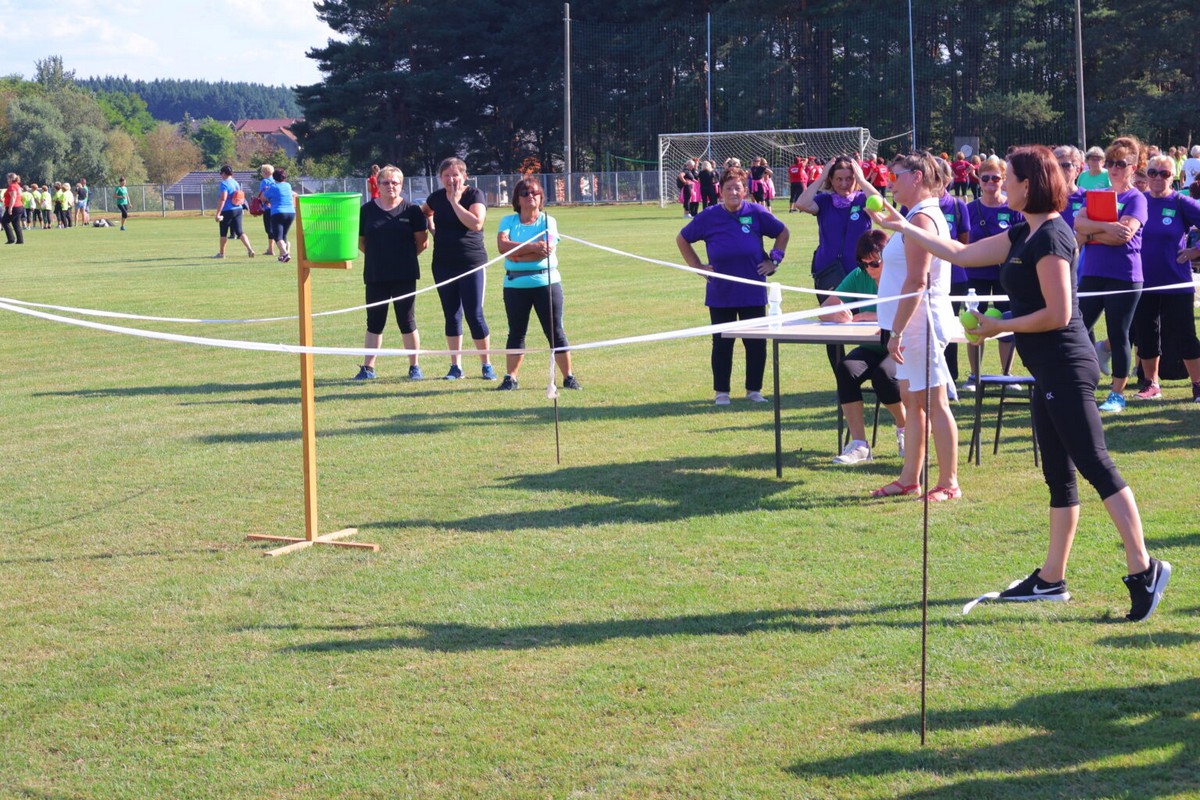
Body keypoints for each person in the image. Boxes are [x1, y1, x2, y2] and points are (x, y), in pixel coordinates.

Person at [872, 144, 1171, 622]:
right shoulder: (1022, 234)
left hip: (1067, 366)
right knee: (1059, 475)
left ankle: (1144, 568)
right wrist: (903, 225)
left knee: (1096, 464)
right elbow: (962, 252)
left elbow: (1059, 313)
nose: (1000, 184)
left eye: (1007, 178)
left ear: (1028, 185)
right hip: (1047, 369)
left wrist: (999, 326)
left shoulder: (1053, 234)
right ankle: (1051, 579)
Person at [868, 151, 958, 500]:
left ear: (917, 176)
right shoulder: (913, 215)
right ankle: (910, 478)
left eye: (897, 175)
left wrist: (898, 331)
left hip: (920, 325)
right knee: (913, 400)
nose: (891, 181)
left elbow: (917, 282)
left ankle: (949, 483)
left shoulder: (923, 219)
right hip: (908, 324)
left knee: (934, 402)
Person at [676, 166, 789, 405]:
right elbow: (682, 238)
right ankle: (722, 393)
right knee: (722, 343)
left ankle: (754, 391)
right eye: (729, 188)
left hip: (752, 289)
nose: (733, 192)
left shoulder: (757, 212)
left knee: (756, 344)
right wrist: (697, 266)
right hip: (721, 291)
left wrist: (774, 260)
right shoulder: (709, 216)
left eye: (738, 188)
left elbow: (783, 232)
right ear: (721, 192)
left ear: (745, 191)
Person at [819, 229, 906, 464]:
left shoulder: (903, 275)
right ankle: (860, 445)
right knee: (846, 368)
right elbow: (825, 307)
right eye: (863, 263)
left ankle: (905, 427)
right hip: (871, 346)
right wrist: (834, 314)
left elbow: (910, 310)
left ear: (887, 258)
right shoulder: (858, 275)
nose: (869, 269)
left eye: (874, 263)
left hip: (900, 345)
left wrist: (869, 314)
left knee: (884, 376)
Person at [1073, 136, 1147, 413]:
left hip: (1124, 275)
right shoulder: (1097, 194)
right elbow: (1077, 224)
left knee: (1119, 333)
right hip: (1092, 272)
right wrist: (1097, 230)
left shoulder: (1136, 198)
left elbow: (1123, 236)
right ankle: (1078, 383)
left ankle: (1117, 394)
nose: (1114, 168)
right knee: (1078, 327)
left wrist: (1089, 234)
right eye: (1111, 162)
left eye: (1121, 163)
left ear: (1133, 166)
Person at [793, 155, 882, 369]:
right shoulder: (824, 201)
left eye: (849, 179)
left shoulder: (863, 200)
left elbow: (879, 202)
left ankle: (871, 369)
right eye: (838, 179)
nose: (844, 184)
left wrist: (861, 180)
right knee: (833, 325)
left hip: (861, 271)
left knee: (865, 319)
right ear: (831, 180)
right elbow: (802, 203)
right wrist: (822, 175)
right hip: (828, 271)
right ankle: (842, 377)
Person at [494, 176, 580, 391]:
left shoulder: (547, 220)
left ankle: (568, 377)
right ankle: (510, 378)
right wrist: (533, 246)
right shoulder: (508, 221)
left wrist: (517, 254)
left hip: (546, 283)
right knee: (516, 332)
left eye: (534, 192)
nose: (530, 196)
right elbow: (503, 246)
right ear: (517, 199)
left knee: (555, 331)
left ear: (541, 196)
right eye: (524, 193)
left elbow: (547, 250)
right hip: (514, 285)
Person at [1130, 155, 1200, 401]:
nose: (1158, 178)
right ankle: (1151, 384)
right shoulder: (1137, 201)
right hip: (1142, 282)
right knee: (1146, 334)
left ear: (1175, 177)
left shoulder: (1181, 201)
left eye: (1164, 173)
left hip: (1176, 282)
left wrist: (1195, 250)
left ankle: (1198, 384)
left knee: (1185, 335)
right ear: (1145, 174)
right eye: (1153, 172)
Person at [420, 157, 497, 381]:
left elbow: (476, 223)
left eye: (455, 175)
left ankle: (486, 364)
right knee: (451, 315)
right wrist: (432, 229)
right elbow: (424, 212)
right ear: (440, 178)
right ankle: (456, 366)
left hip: (471, 263)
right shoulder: (435, 197)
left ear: (464, 176)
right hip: (443, 264)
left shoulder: (474, 195)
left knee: (475, 314)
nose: (451, 179)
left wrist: (455, 202)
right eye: (446, 175)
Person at [352, 165, 427, 381]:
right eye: (386, 182)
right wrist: (380, 257)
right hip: (376, 274)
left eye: (395, 182)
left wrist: (401, 258)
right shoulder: (366, 211)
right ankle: (368, 368)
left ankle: (414, 366)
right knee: (374, 321)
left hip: (405, 274)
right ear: (378, 184)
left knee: (407, 320)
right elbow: (361, 242)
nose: (390, 186)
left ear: (401, 185)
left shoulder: (412, 210)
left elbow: (422, 243)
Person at [962, 158, 1022, 388]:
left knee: (1007, 325)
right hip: (974, 275)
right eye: (985, 177)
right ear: (978, 179)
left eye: (995, 178)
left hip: (1005, 276)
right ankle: (974, 376)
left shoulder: (1013, 209)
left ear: (1003, 180)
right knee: (973, 323)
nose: (990, 182)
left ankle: (1006, 375)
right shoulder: (969, 209)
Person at [212, 165, 254, 258]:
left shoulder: (224, 183)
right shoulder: (235, 183)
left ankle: (222, 253)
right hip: (238, 209)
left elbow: (223, 198)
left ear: (224, 173)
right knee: (240, 231)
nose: (221, 175)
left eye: (221, 173)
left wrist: (218, 213)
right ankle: (250, 249)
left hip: (227, 210)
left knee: (223, 232)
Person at [263, 168, 296, 263]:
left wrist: (267, 194)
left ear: (274, 177)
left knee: (277, 236)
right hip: (291, 212)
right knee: (284, 235)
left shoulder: (273, 187)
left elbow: (263, 198)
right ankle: (282, 256)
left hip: (278, 212)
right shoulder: (288, 185)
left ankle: (285, 253)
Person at [255, 164, 276, 256]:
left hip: (268, 208)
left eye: (262, 171)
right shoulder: (276, 181)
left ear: (266, 172)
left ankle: (272, 249)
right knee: (275, 228)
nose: (261, 174)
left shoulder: (265, 181)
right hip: (275, 207)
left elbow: (262, 195)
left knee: (269, 229)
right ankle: (271, 249)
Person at [2, 173, 24, 245]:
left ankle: (11, 239)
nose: (7, 180)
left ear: (11, 179)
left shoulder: (12, 186)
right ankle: (20, 240)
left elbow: (13, 197)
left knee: (4, 221)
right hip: (19, 206)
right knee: (16, 223)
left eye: (8, 179)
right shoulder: (17, 186)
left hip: (14, 207)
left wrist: (10, 208)